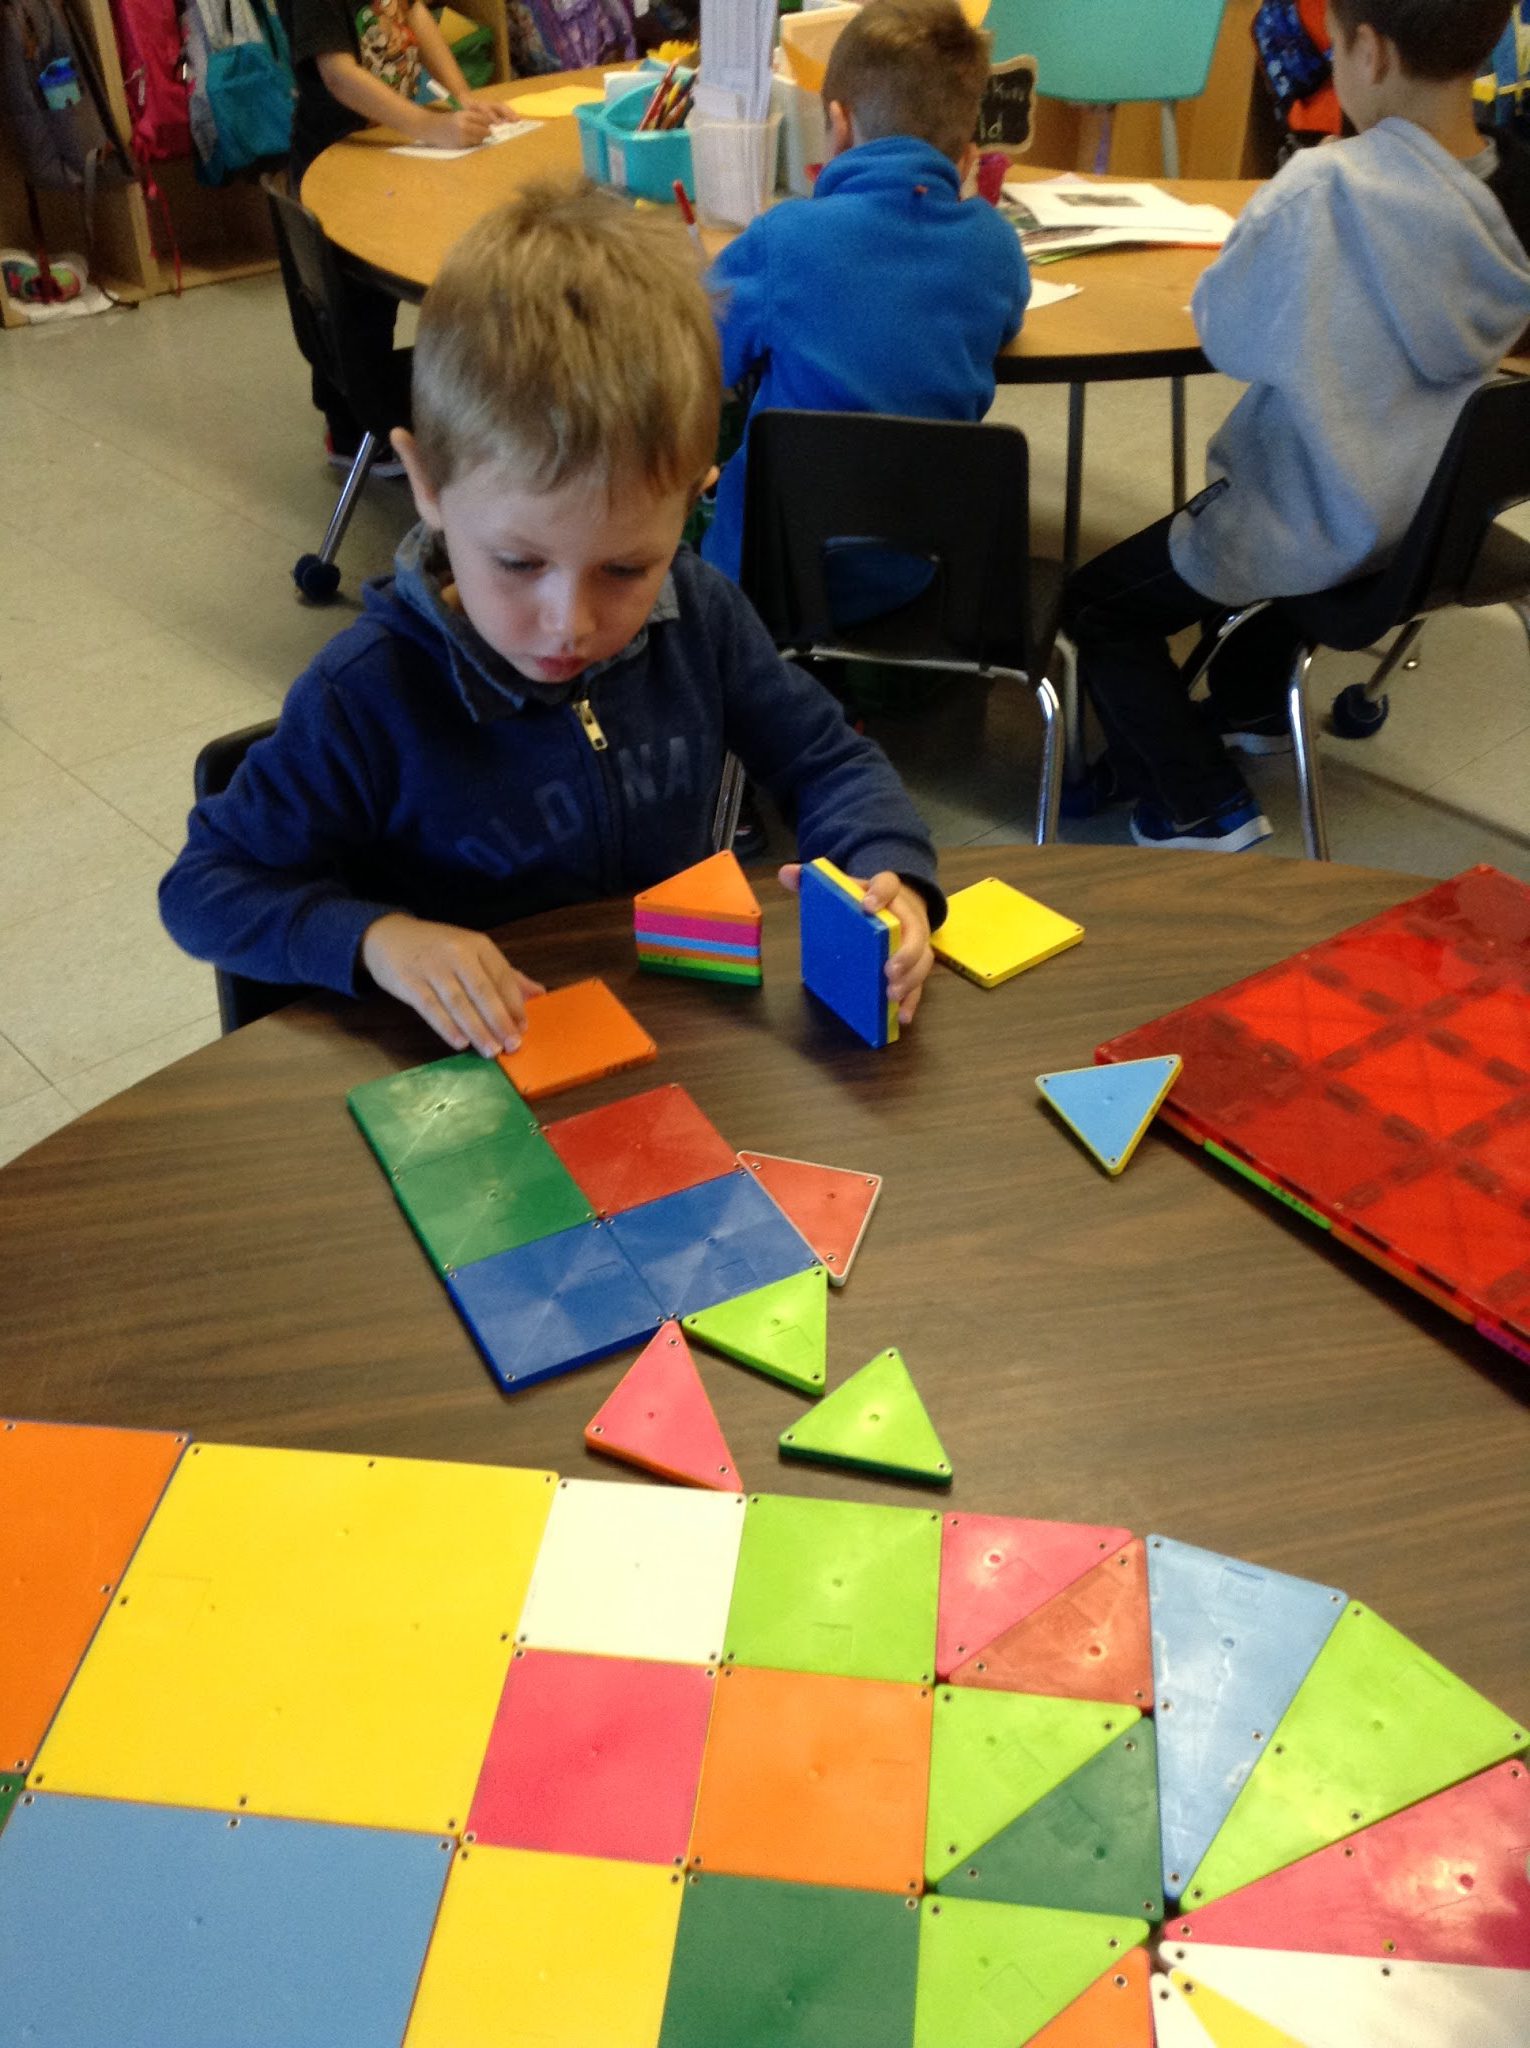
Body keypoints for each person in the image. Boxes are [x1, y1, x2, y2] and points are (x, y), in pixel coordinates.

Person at [160, 182, 942, 1058]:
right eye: (519, 564)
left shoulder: (701, 614)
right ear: (427, 487)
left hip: (662, 1039)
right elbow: (204, 887)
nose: (569, 623)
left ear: (696, 496)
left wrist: (891, 875)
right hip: (466, 1076)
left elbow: (827, 759)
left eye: (626, 568)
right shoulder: (365, 696)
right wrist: (377, 939)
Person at [1062, 0, 1530, 853]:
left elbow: (1230, 338)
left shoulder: (1324, 189)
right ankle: (1251, 709)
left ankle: (1200, 803)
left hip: (1315, 520)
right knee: (1297, 505)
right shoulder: (1513, 187)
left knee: (1094, 606)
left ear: (1369, 51)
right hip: (1425, 527)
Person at [700, 0, 1029, 614]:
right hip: (913, 573)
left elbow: (691, 356)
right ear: (966, 157)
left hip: (764, 575)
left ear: (839, 125)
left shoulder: (782, 239)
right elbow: (1007, 322)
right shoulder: (996, 247)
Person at [278, 0, 517, 470]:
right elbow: (337, 74)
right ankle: (354, 429)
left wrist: (462, 98)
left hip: (383, 145)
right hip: (337, 159)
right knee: (352, 307)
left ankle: (360, 418)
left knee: (373, 305)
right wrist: (428, 125)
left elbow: (414, 13)